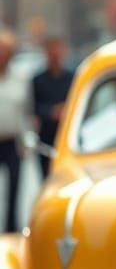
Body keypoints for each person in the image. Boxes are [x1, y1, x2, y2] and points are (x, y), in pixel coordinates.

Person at [31, 35, 74, 178]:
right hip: (46, 134)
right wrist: (50, 112)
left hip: (67, 133)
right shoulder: (37, 80)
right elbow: (32, 106)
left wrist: (66, 110)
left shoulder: (72, 77)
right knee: (46, 175)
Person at [0, 29, 30, 233]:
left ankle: (11, 228)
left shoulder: (21, 77)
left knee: (14, 187)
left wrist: (25, 141)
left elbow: (26, 111)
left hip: (12, 140)